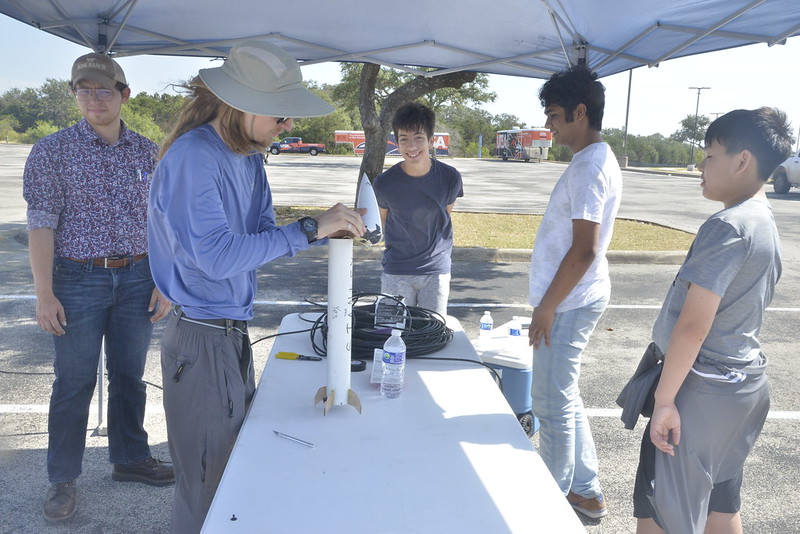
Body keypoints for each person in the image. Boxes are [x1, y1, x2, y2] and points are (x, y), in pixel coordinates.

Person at [147, 41, 366, 533]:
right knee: (209, 483)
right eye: (282, 113)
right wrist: (309, 229)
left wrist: (326, 229)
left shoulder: (246, 156)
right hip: (203, 338)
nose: (288, 125)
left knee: (231, 472)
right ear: (241, 105)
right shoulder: (194, 158)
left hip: (227, 333)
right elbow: (220, 255)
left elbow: (263, 234)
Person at [22, 52, 174, 524]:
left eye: (103, 89)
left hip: (138, 277)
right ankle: (62, 479)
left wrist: (164, 281)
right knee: (74, 382)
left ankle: (130, 459)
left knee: (129, 376)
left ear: (124, 94)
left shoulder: (149, 151)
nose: (93, 99)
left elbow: (163, 222)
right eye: (83, 90)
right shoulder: (51, 151)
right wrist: (44, 293)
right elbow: (42, 225)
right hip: (76, 279)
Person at [634, 108, 793, 534]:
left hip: (702, 389)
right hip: (743, 386)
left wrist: (665, 401)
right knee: (721, 503)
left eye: (710, 156)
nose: (702, 167)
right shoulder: (764, 221)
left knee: (661, 514)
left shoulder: (728, 226)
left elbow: (693, 326)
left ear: (742, 161)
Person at [527, 64, 621, 519]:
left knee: (549, 404)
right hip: (574, 298)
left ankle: (548, 506)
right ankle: (585, 490)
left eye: (553, 114)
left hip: (568, 302)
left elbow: (584, 251)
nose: (548, 124)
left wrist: (547, 307)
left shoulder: (589, 167)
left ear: (579, 112)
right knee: (564, 396)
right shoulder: (594, 160)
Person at [373, 102, 463, 316]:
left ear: (431, 141)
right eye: (404, 139)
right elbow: (384, 223)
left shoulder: (450, 178)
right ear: (397, 142)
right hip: (396, 271)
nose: (412, 147)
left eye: (418, 138)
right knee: (391, 334)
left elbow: (444, 216)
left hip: (436, 271)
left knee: (432, 335)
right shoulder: (384, 183)